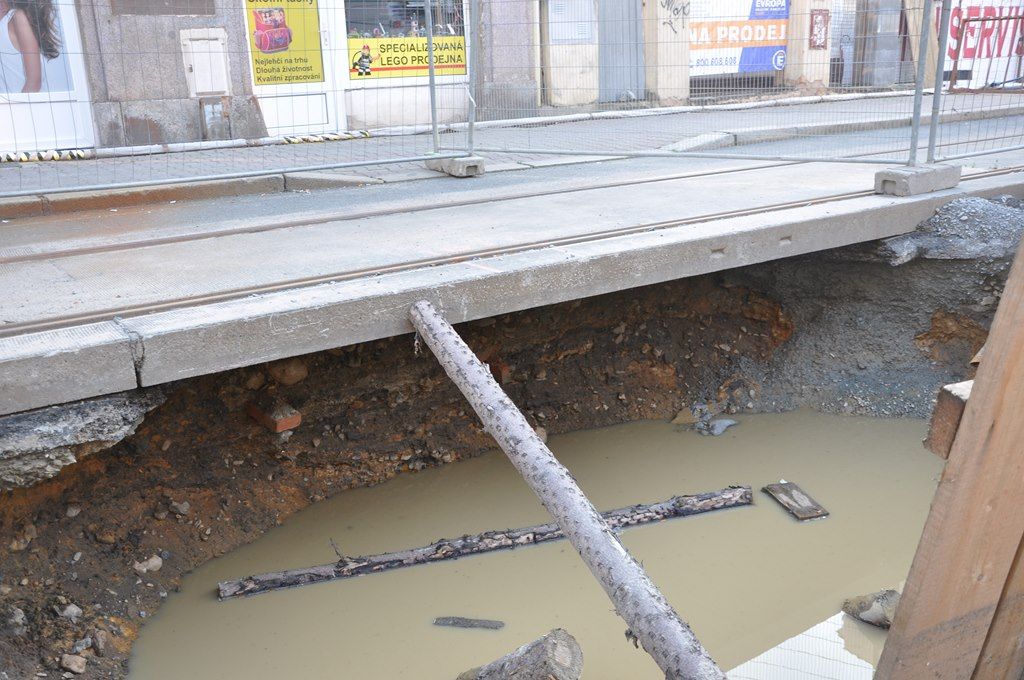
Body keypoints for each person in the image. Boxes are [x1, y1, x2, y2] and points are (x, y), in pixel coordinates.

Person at [0, 0, 60, 93]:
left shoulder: (17, 17)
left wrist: (19, 107)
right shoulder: (6, 19)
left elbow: (34, 82)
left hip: (28, 104)